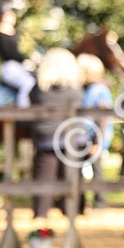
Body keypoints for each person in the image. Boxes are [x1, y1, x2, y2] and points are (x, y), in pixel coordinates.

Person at [29, 47, 87, 220]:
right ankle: (73, 211)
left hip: (46, 138)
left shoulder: (38, 91)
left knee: (44, 177)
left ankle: (41, 213)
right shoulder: (76, 91)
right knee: (73, 177)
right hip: (72, 139)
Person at [77, 52, 113, 208]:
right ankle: (85, 202)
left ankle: (100, 202)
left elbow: (102, 118)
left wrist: (97, 142)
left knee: (96, 170)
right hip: (90, 136)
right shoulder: (91, 88)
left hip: (94, 137)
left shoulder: (97, 90)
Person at [0, 0, 36, 108]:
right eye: (10, 13)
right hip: (11, 67)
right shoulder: (2, 33)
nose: (13, 16)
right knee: (28, 83)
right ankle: (23, 110)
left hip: (19, 66)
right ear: (3, 15)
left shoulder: (15, 32)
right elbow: (11, 53)